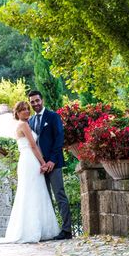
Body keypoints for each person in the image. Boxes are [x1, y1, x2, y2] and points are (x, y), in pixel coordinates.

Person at [4, 101, 60, 243]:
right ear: (17, 113)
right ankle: (31, 230)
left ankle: (38, 228)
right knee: (32, 192)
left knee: (34, 191)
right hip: (30, 160)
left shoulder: (23, 124)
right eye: (23, 110)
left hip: (27, 159)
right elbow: (33, 146)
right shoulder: (23, 125)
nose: (27, 112)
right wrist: (43, 163)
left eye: (27, 109)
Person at [28, 90, 73, 240]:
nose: (35, 104)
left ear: (42, 100)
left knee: (59, 195)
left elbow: (59, 138)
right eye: (32, 102)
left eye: (37, 100)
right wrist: (41, 163)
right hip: (40, 166)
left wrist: (52, 161)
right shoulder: (31, 121)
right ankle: (49, 230)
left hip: (54, 163)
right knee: (44, 198)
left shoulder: (53, 117)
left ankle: (66, 230)